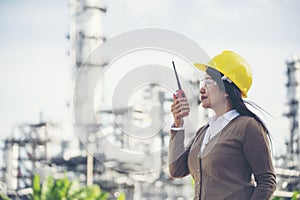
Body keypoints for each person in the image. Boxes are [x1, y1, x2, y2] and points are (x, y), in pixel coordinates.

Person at [168, 50, 276, 199]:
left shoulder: (247, 127)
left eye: (209, 82)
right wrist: (178, 124)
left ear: (226, 90)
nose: (202, 88)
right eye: (202, 82)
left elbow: (267, 182)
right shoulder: (204, 132)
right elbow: (176, 170)